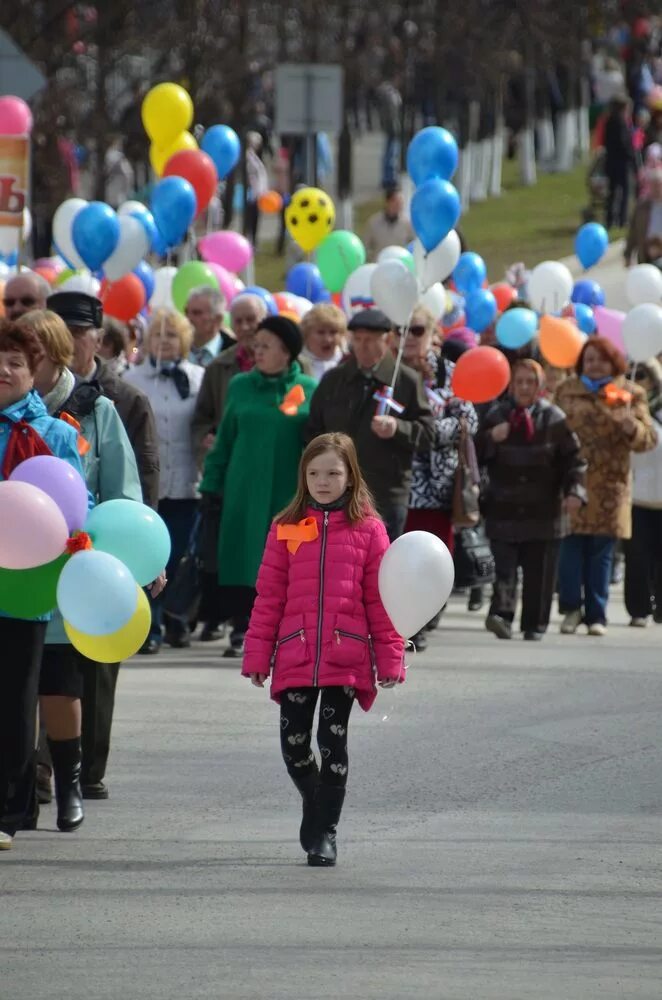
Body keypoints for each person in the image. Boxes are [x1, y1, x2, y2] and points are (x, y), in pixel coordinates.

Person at [243, 432, 405, 867]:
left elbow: (380, 599)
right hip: (295, 653)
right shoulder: (286, 525)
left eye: (333, 472)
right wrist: (258, 655)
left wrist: (390, 657)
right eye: (314, 473)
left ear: (351, 475)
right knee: (294, 745)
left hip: (345, 656)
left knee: (332, 742)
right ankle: (315, 802)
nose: (323, 481)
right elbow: (269, 596)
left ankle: (325, 832)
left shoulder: (369, 529)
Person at [18, 308, 144, 821]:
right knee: (14, 687)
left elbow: (121, 492)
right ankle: (24, 785)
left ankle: (70, 779)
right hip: (13, 568)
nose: (18, 366)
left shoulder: (95, 411)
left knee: (60, 682)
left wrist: (129, 558)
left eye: (31, 356)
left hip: (71, 566)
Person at [0, 320, 86, 851]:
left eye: (14, 363)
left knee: (14, 701)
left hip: (28, 584)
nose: (4, 372)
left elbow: (79, 502)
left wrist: (76, 537)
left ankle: (10, 807)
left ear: (36, 373)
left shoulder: (54, 433)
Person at [199, 316, 317, 658]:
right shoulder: (239, 386)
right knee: (243, 555)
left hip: (290, 492)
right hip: (244, 490)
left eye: (266, 346)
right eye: (257, 345)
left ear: (287, 352)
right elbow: (224, 440)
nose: (257, 351)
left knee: (290, 559)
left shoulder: (309, 388)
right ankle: (243, 626)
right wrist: (211, 485)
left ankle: (289, 628)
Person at [477, 359, 587, 641]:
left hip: (545, 510)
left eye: (530, 382)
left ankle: (534, 624)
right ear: (511, 385)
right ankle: (501, 615)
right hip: (504, 507)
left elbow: (575, 461)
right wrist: (491, 438)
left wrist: (575, 492)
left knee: (540, 572)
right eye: (519, 382)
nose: (524, 387)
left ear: (539, 386)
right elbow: (473, 453)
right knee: (504, 570)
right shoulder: (497, 414)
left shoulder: (554, 417)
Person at [555, 337, 656, 636]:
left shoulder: (630, 394)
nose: (595, 365)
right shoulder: (566, 390)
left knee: (602, 554)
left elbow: (648, 439)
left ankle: (596, 615)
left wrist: (630, 426)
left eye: (601, 359)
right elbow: (551, 428)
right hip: (573, 483)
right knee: (570, 550)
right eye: (589, 359)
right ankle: (571, 609)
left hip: (610, 487)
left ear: (614, 363)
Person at [306, 309, 433, 542]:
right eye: (358, 339)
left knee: (381, 566)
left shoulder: (406, 381)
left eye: (370, 340)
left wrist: (397, 428)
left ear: (387, 340)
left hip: (385, 492)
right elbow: (312, 430)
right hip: (337, 493)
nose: (362, 347)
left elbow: (427, 433)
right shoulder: (335, 380)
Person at [398, 306, 478, 650]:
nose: (408, 338)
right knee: (398, 556)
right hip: (398, 481)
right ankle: (401, 621)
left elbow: (468, 421)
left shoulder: (451, 374)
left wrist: (425, 431)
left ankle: (426, 617)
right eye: (401, 330)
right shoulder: (389, 373)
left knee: (435, 555)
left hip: (439, 484)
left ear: (434, 335)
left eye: (416, 330)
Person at [125, 310, 204, 653]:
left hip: (187, 482)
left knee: (181, 556)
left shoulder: (199, 377)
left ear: (184, 341)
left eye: (172, 335)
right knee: (150, 556)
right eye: (157, 335)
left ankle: (176, 619)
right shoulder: (133, 378)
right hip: (149, 486)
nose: (164, 342)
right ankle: (150, 625)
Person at [47, 291, 160, 509]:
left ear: (98, 340)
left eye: (77, 332)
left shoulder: (128, 400)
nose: (67, 341)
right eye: (59, 333)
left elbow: (145, 478)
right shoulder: (34, 395)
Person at [191, 293, 268, 468]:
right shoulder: (217, 367)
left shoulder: (289, 362)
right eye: (238, 322)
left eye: (251, 319)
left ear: (265, 320)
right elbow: (201, 420)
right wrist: (208, 450)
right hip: (233, 467)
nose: (245, 327)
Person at [624, 359, 662, 626]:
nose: (638, 383)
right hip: (635, 496)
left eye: (643, 378)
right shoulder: (625, 409)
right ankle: (639, 609)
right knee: (636, 556)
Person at [603, 95, 635, 229]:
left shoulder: (609, 121)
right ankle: (622, 219)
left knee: (612, 191)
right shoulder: (620, 123)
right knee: (624, 190)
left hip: (610, 161)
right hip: (621, 162)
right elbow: (623, 143)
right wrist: (631, 155)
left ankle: (610, 219)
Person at [185, 286, 235, 367]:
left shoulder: (235, 353)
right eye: (186, 312)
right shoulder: (175, 350)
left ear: (218, 319)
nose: (188, 318)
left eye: (197, 313)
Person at [364, 185, 414, 261]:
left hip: (400, 267)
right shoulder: (373, 222)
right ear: (388, 202)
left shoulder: (407, 223)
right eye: (396, 201)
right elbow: (365, 246)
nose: (399, 205)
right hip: (379, 267)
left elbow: (414, 245)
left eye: (401, 202)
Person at [299, 303, 347, 382]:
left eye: (333, 332)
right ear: (306, 334)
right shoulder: (295, 366)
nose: (328, 339)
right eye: (321, 332)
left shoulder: (350, 364)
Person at [624, 166, 662, 264]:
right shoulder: (641, 207)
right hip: (647, 255)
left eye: (659, 185)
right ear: (650, 186)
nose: (657, 188)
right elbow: (633, 232)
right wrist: (628, 254)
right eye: (654, 185)